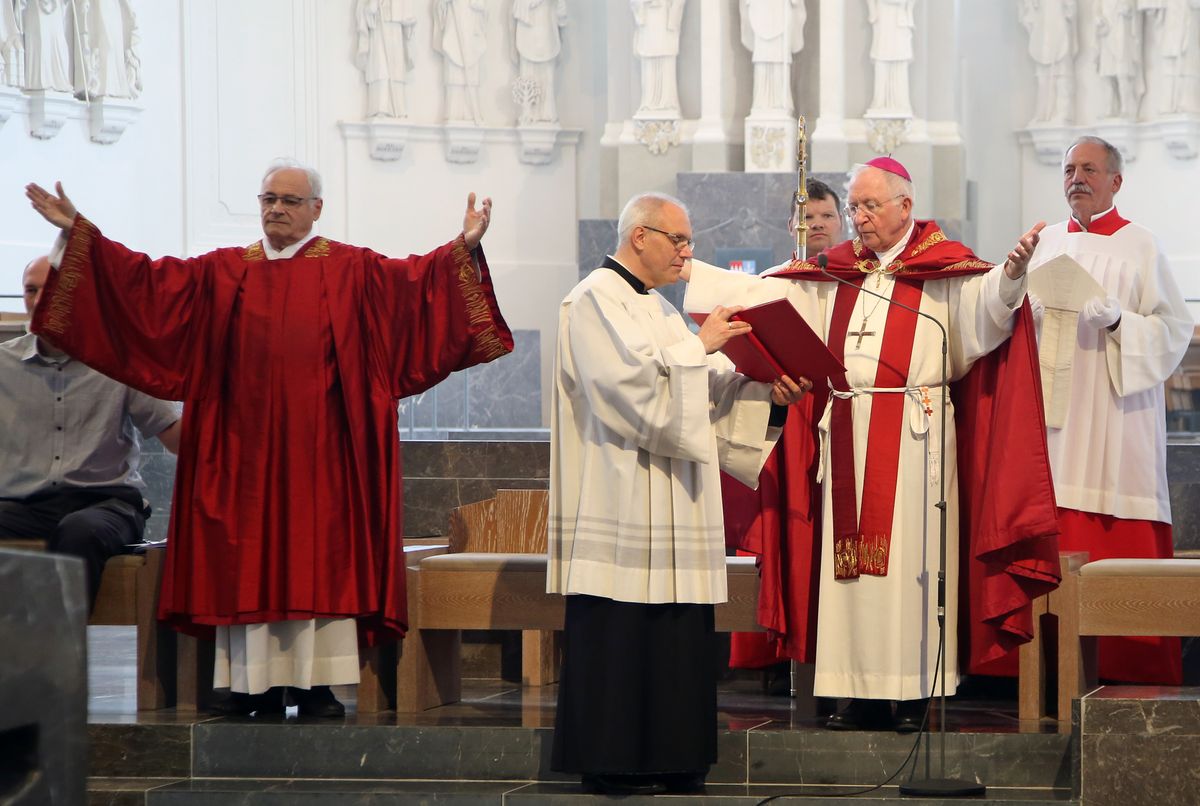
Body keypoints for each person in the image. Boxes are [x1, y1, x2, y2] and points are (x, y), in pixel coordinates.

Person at [24, 158, 513, 718]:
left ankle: (316, 688)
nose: (276, 209)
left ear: (316, 209)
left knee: (320, 561)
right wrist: (79, 233)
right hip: (242, 458)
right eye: (268, 199)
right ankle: (251, 685)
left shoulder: (355, 271)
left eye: (289, 200)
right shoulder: (221, 273)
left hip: (325, 459)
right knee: (245, 559)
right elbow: (144, 284)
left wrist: (464, 247)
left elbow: (419, 285)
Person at [682, 157, 1060, 732]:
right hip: (847, 430)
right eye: (855, 207)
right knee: (847, 573)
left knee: (913, 565)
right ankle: (851, 693)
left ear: (906, 206)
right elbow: (768, 298)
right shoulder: (836, 273)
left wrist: (1010, 276)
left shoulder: (944, 269)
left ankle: (911, 694)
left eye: (869, 206)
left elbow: (984, 318)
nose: (858, 218)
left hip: (916, 438)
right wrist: (696, 274)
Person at [548, 192, 807, 794]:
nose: (688, 254)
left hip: (673, 501)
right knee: (620, 633)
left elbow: (708, 389)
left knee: (673, 633)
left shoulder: (659, 310)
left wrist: (765, 395)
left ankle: (674, 756)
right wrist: (704, 344)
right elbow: (629, 391)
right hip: (621, 495)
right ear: (640, 236)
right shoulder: (591, 301)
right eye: (679, 241)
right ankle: (612, 763)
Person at [1025, 136, 1193, 684]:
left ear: (1115, 181)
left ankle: (1133, 661)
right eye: (1070, 168)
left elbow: (1173, 330)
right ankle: (1045, 670)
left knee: (1114, 512)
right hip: (1055, 418)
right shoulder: (1044, 243)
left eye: (1090, 169)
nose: (1077, 177)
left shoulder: (1142, 245)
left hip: (1117, 416)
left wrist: (1121, 322)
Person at [0, 256, 180, 612]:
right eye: (30, 291)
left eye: (48, 291)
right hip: (23, 503)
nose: (37, 301)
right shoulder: (3, 365)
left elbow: (175, 435)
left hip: (104, 504)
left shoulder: (119, 359)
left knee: (81, 531)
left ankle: (55, 656)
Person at [727, 178, 844, 693]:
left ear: (841, 222)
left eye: (825, 216)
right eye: (806, 218)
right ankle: (780, 648)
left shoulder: (861, 281)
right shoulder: (772, 283)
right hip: (790, 417)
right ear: (790, 228)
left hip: (846, 415)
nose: (815, 225)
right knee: (789, 526)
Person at [739, 0, 806, 116]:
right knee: (762, 57)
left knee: (780, 57)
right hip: (760, 12)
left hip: (781, 12)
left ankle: (781, 102)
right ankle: (760, 103)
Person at [354, 0, 417, 118]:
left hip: (396, 30)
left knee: (397, 68)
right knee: (381, 67)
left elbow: (407, 13)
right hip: (379, 28)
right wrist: (373, 5)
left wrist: (408, 20)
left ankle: (398, 108)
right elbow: (364, 9)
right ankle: (380, 107)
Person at [1019, 0, 1077, 124]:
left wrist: (1066, 9)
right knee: (1042, 78)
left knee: (1062, 74)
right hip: (1043, 33)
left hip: (1061, 30)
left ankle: (1064, 113)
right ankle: (1042, 113)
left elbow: (1071, 9)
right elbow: (1026, 11)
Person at [511, 0, 567, 125]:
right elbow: (516, 10)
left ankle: (547, 111)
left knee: (548, 77)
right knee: (528, 73)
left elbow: (561, 12)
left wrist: (562, 37)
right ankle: (528, 111)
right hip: (528, 32)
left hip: (547, 31)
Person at [434, 0, 487, 123]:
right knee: (454, 72)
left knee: (472, 71)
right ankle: (453, 112)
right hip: (454, 31)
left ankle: (472, 111)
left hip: (472, 31)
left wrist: (479, 6)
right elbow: (438, 7)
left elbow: (485, 9)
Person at [630, 0, 687, 116]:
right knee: (648, 56)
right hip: (648, 18)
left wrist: (673, 18)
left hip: (665, 17)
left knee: (666, 56)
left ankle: (667, 102)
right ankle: (648, 102)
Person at [865, 0, 915, 115]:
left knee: (900, 59)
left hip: (900, 20)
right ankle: (880, 102)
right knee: (881, 56)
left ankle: (901, 102)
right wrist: (873, 12)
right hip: (883, 18)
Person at [1096, 0, 1143, 119]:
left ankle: (1126, 108)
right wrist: (1098, 20)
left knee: (1123, 75)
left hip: (1122, 38)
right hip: (1106, 38)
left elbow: (1134, 13)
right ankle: (1109, 109)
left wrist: (1128, 10)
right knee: (1106, 76)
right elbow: (1096, 12)